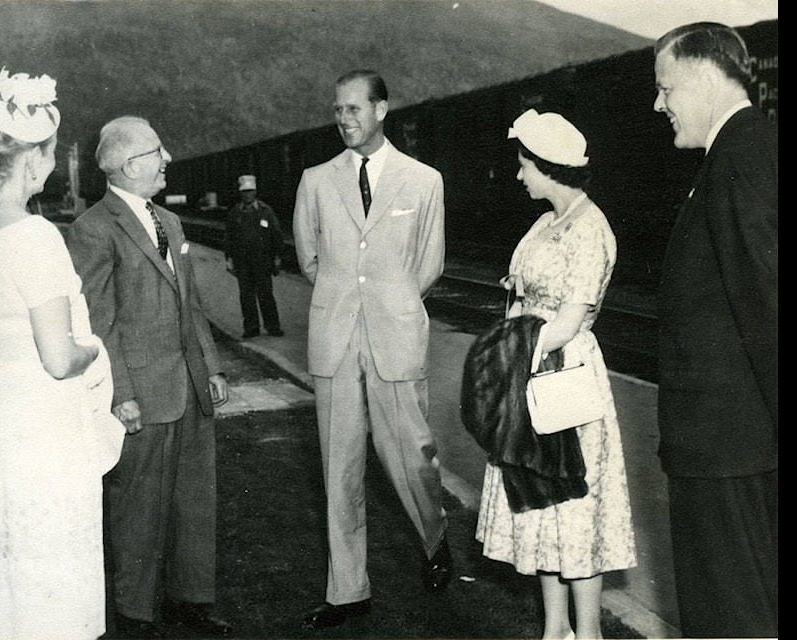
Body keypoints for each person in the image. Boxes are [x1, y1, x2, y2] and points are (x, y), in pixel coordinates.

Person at [0, 68, 124, 639]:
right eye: (50, 154)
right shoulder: (34, 236)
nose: (50, 166)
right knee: (56, 577)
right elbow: (57, 358)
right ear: (31, 158)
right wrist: (93, 347)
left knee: (6, 572)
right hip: (41, 426)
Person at [292, 69, 452, 631]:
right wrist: (345, 298)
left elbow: (429, 263)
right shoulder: (315, 180)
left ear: (382, 109)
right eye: (338, 110)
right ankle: (347, 591)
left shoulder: (423, 180)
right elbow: (308, 258)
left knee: (413, 454)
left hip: (397, 335)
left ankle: (435, 539)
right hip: (335, 338)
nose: (344, 119)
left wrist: (391, 301)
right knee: (339, 466)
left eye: (354, 109)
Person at [66, 115, 234, 639]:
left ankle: (191, 599)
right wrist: (121, 394)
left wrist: (211, 366)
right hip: (141, 392)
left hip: (188, 384)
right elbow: (98, 320)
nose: (166, 160)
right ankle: (136, 612)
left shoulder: (171, 222)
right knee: (137, 506)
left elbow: (192, 303)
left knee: (194, 499)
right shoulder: (93, 229)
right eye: (157, 152)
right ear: (129, 165)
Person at [472, 109, 637, 639]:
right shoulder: (545, 223)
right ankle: (555, 630)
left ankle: (586, 633)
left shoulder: (592, 228)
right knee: (540, 499)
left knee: (574, 504)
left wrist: (512, 352)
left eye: (524, 166)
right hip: (529, 368)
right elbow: (519, 293)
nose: (519, 176)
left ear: (548, 167)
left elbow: (568, 320)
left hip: (564, 375)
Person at [652, 23, 777, 638]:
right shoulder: (735, 155)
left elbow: (769, 304)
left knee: (733, 621)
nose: (659, 104)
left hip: (730, 450)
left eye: (665, 87)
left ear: (703, 75)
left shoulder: (741, 159)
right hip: (723, 444)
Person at [224, 174, 284, 338]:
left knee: (266, 294)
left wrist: (277, 256)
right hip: (242, 262)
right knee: (246, 296)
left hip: (262, 261)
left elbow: (276, 234)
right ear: (240, 193)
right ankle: (251, 328)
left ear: (255, 192)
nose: (247, 195)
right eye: (244, 192)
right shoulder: (235, 213)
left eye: (250, 191)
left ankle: (273, 326)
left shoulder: (266, 211)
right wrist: (228, 259)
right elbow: (229, 237)